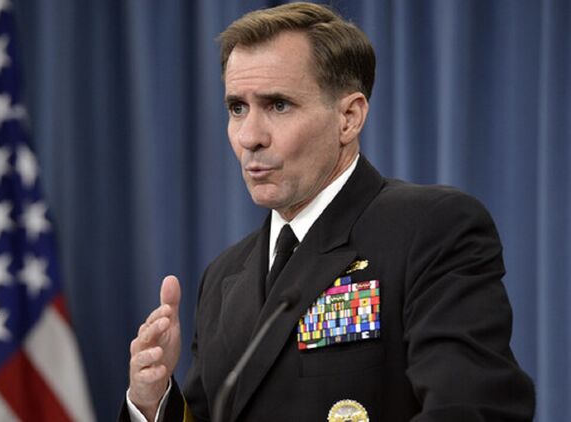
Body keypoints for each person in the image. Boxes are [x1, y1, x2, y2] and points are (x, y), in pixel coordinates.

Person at [123, 3, 535, 421]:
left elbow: (475, 408)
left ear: (348, 117)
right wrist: (153, 402)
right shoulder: (223, 277)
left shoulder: (430, 229)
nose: (249, 137)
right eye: (237, 108)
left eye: (278, 105)